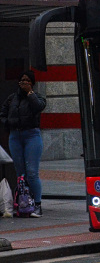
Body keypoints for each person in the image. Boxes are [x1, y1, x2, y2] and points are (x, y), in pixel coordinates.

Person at [1, 71, 47, 217]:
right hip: (15, 136)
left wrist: (30, 93)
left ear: (32, 83)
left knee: (32, 172)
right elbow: (2, 113)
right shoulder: (12, 99)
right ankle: (23, 203)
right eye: (22, 81)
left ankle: (37, 205)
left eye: (27, 81)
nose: (24, 83)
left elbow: (39, 107)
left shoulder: (36, 97)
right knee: (20, 173)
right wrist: (8, 123)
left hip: (31, 135)